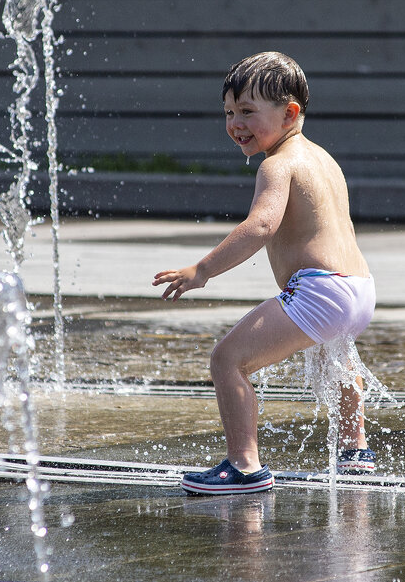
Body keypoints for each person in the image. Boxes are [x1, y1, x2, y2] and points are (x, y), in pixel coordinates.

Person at [153, 52, 376, 495]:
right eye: (230, 113)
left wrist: (203, 270)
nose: (236, 123)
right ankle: (355, 449)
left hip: (320, 290)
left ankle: (244, 466)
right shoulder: (323, 160)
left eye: (248, 112)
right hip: (360, 289)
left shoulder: (278, 164)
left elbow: (260, 226)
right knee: (335, 355)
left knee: (227, 360)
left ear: (290, 113)